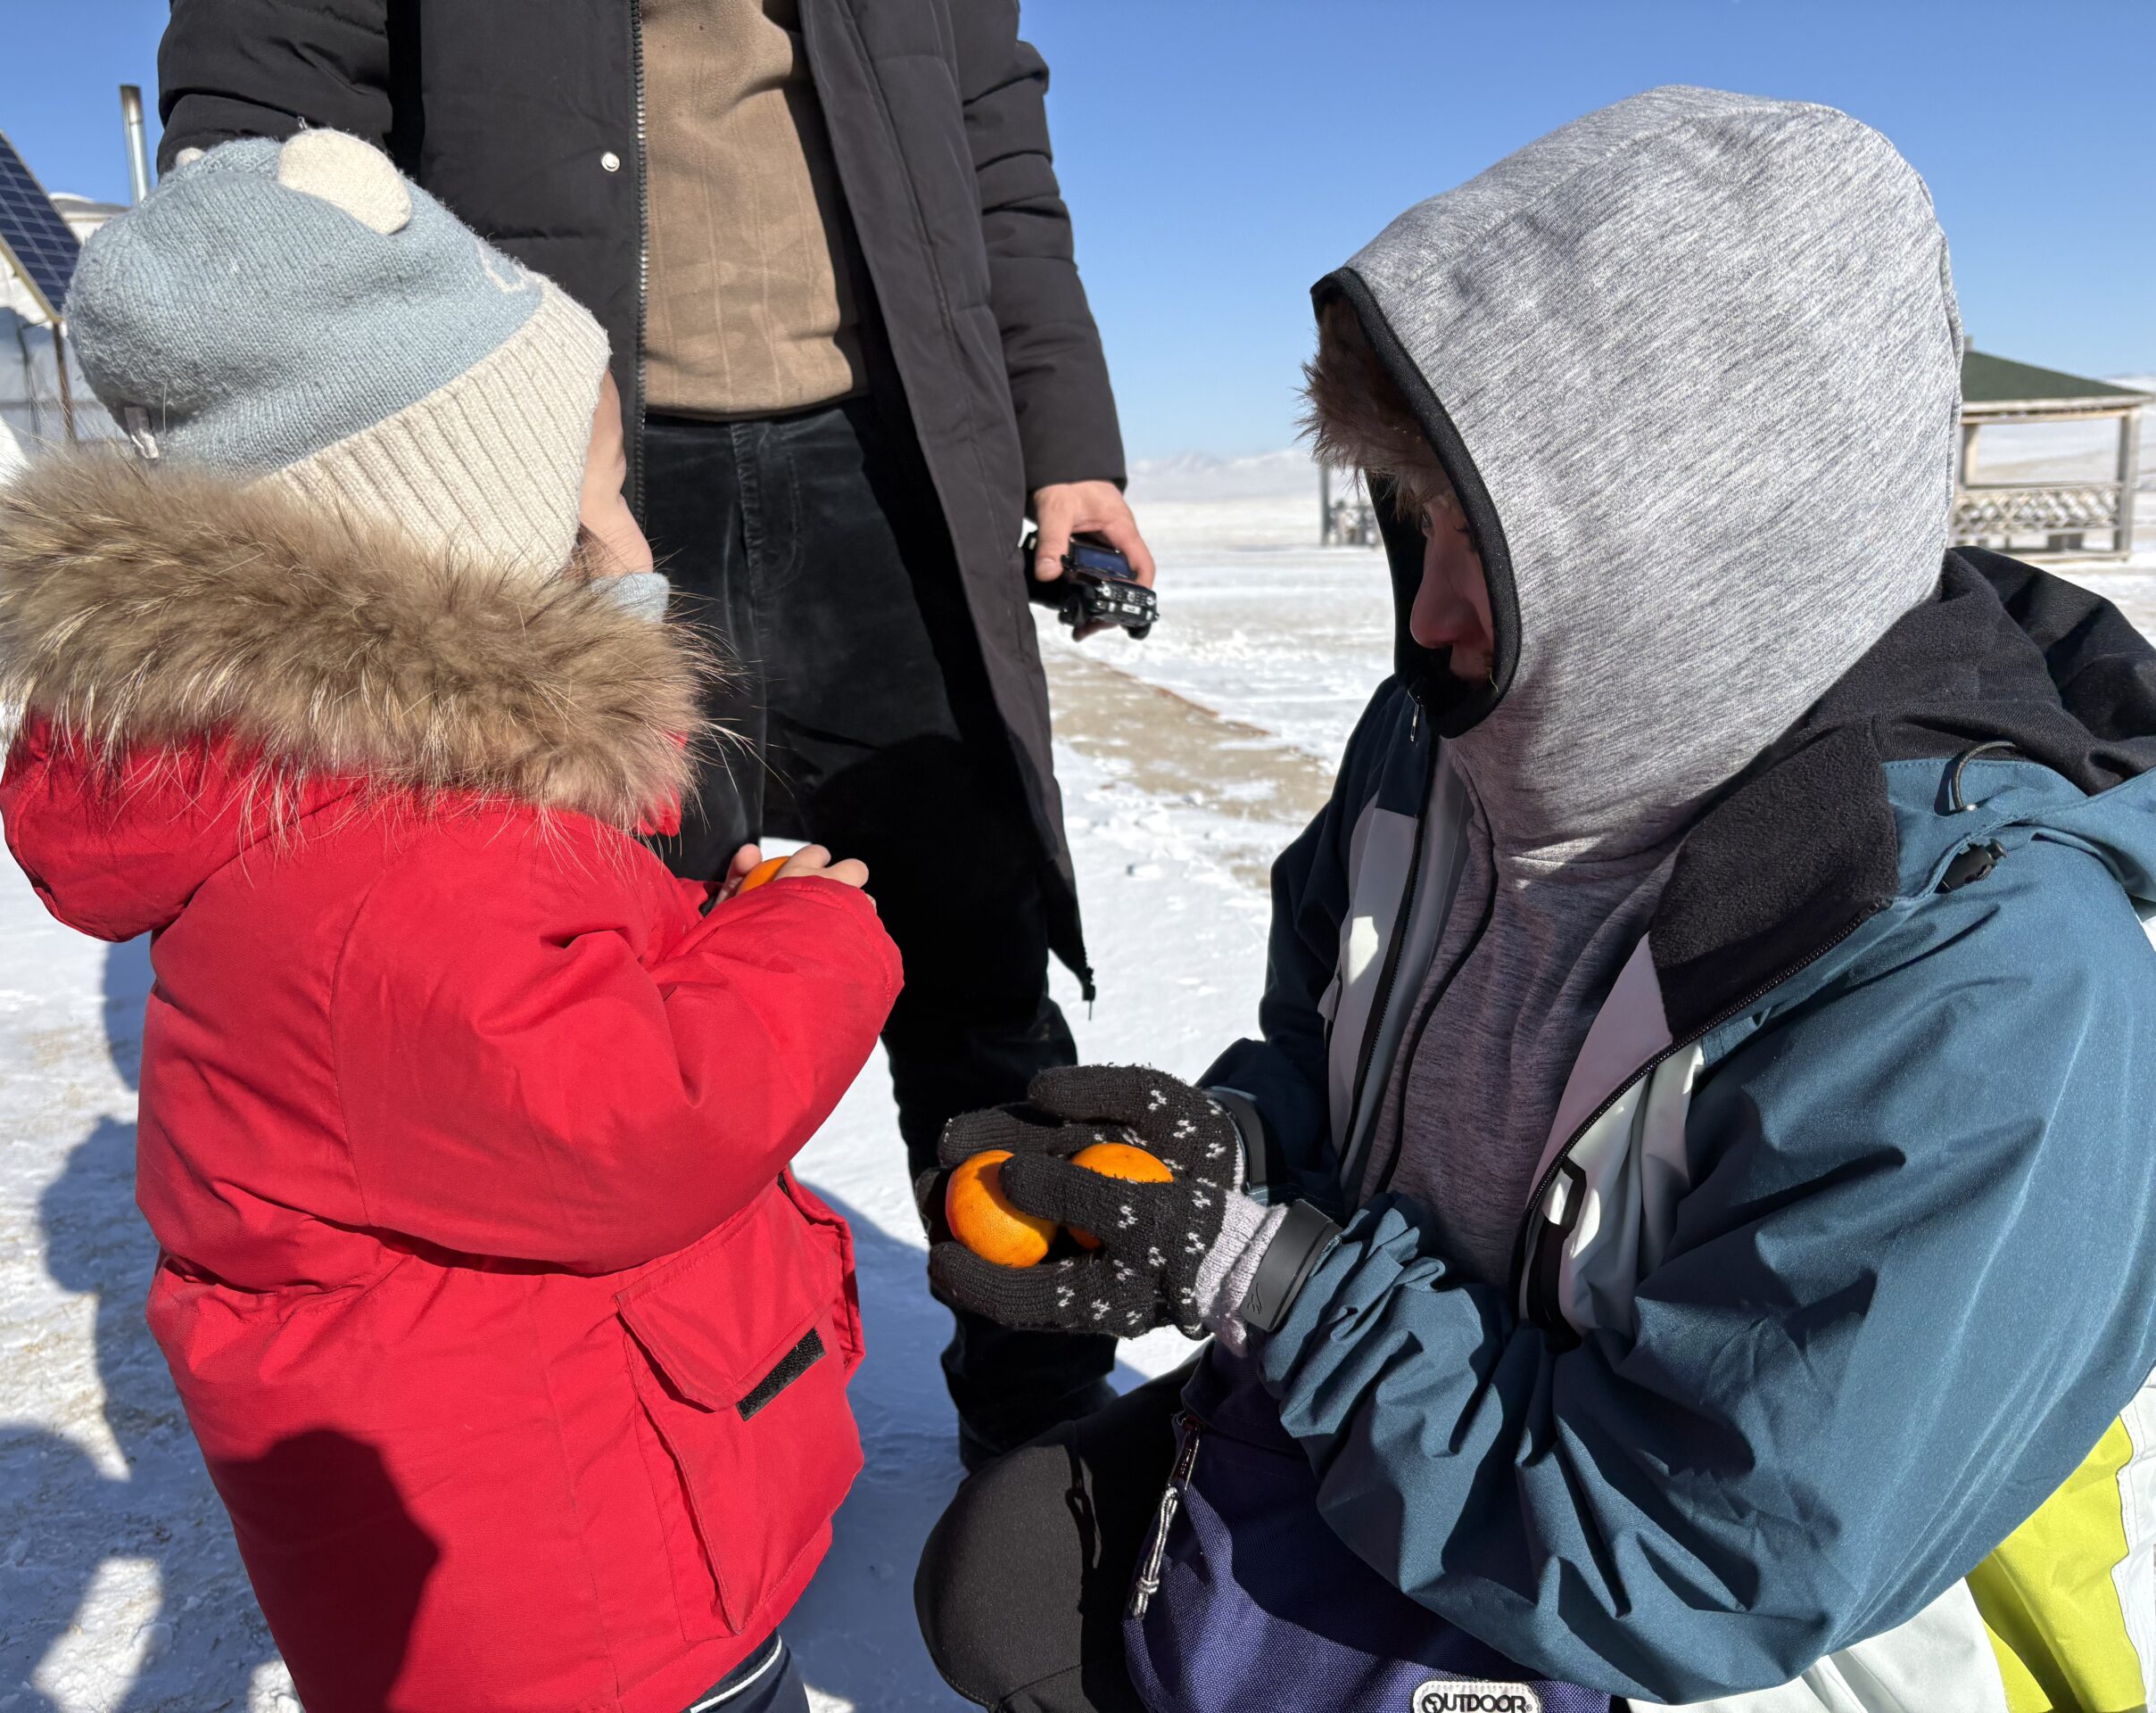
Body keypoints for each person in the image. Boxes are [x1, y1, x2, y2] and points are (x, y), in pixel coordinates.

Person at [913, 87, 2156, 1713]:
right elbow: (1330, 1047)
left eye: (1483, 546)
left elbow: (1698, 1558)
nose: (1426, 621)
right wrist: (1231, 1158)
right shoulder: (1443, 750)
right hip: (1447, 1425)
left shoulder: (1978, 977)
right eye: (1411, 525)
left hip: (1743, 1627)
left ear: (1700, 542)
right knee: (1003, 1578)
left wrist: (1271, 1277)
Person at [0, 131, 901, 1713]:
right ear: (454, 549)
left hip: (526, 1530)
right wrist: (807, 939)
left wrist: (680, 901)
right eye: (598, 510)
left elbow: (530, 978)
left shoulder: (328, 792)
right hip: (580, 1600)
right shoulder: (406, 856)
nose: (638, 553)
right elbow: (627, 1120)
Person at [156, 0, 1152, 1465]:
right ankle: (669, 1467)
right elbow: (269, 85)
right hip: (561, 469)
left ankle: (1051, 1420)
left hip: (897, 463)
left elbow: (993, 131)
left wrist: (1066, 437)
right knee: (597, 1006)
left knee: (977, 980)